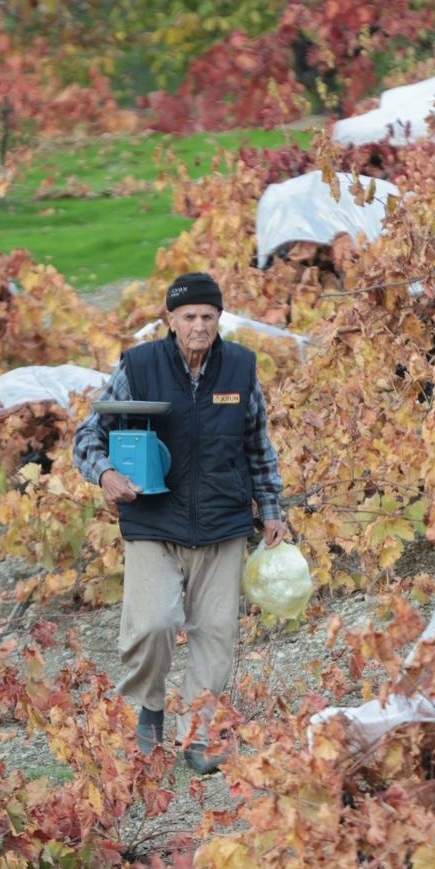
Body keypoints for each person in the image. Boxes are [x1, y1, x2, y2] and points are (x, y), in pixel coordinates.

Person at [72, 271, 288, 773]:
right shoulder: (139, 365)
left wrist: (271, 508)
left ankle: (198, 734)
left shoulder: (239, 367)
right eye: (188, 316)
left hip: (223, 520)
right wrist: (103, 473)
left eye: (208, 317)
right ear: (169, 319)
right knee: (152, 625)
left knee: (214, 634)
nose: (198, 325)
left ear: (219, 319)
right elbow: (88, 435)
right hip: (154, 518)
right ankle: (150, 709)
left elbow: (258, 444)